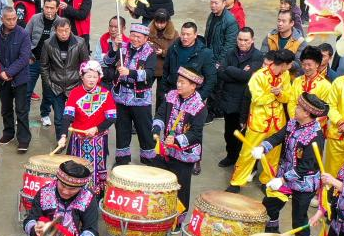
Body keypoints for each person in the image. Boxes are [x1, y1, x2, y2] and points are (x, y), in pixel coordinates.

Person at [254, 93, 328, 236]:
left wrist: (281, 180)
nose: (295, 108)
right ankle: (272, 231)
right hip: (285, 174)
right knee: (270, 204)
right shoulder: (293, 123)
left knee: (299, 219)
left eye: (299, 107)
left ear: (307, 113)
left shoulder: (315, 137)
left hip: (304, 181)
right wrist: (263, 147)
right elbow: (278, 137)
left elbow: (305, 166)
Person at [229, 49, 295, 192]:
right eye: (289, 64)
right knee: (248, 153)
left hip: (277, 122)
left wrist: (280, 93)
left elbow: (287, 96)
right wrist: (274, 94)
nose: (290, 67)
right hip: (259, 122)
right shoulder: (258, 76)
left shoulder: (286, 75)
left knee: (273, 155)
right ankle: (237, 182)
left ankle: (267, 181)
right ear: (284, 64)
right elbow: (258, 99)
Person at [151, 66, 206, 215]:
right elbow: (161, 114)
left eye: (183, 82)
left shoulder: (199, 106)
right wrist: (157, 127)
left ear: (193, 86)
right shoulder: (171, 96)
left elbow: (195, 133)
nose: (178, 85)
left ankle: (177, 220)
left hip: (185, 153)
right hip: (167, 149)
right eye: (178, 81)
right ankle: (158, 213)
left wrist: (176, 140)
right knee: (159, 180)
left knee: (180, 187)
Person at [104, 23, 156, 166]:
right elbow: (107, 62)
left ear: (146, 38)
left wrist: (130, 72)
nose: (135, 39)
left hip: (140, 99)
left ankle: (149, 160)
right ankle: (122, 160)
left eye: (139, 37)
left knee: (144, 130)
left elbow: (150, 74)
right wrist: (114, 48)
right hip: (120, 97)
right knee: (122, 130)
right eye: (133, 35)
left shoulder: (150, 52)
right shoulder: (123, 47)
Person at [59, 62, 116, 191]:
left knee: (95, 169)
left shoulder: (105, 93)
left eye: (95, 77)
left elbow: (112, 117)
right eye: (89, 76)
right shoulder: (75, 93)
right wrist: (63, 136)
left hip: (97, 140)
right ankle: (74, 191)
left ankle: (94, 194)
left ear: (99, 77)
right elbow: (67, 116)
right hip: (77, 140)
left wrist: (97, 128)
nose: (92, 80)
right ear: (82, 77)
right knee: (75, 168)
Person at [216, 27, 264, 168]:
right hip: (229, 100)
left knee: (244, 135)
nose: (242, 43)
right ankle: (231, 156)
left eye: (246, 40)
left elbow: (248, 77)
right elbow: (220, 72)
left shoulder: (258, 56)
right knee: (229, 133)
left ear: (252, 40)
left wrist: (230, 70)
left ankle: (244, 162)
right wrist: (236, 73)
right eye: (240, 39)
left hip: (245, 102)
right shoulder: (231, 53)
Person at [41, 19, 90, 140]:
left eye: (66, 30)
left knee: (79, 116)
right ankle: (60, 141)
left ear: (70, 29)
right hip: (56, 86)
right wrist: (49, 83)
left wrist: (81, 84)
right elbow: (44, 66)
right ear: (55, 30)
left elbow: (85, 65)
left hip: (75, 85)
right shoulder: (48, 43)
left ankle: (79, 140)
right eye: (60, 31)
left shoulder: (80, 42)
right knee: (58, 118)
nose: (64, 34)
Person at [0, 7, 33, 154]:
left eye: (14, 18)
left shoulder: (23, 34)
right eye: (8, 19)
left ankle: (24, 139)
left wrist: (9, 72)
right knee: (5, 108)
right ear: (2, 19)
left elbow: (24, 58)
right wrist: (2, 71)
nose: (12, 21)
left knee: (21, 109)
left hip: (20, 78)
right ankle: (8, 132)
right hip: (3, 78)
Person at [161, 22, 216, 108]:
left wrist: (200, 98)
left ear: (195, 35)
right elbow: (165, 70)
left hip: (193, 98)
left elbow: (211, 79)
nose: (185, 37)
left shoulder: (205, 53)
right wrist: (166, 91)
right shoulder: (173, 48)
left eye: (188, 34)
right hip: (173, 94)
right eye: (183, 34)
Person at [25, 0, 59, 127]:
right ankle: (23, 116)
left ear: (56, 9)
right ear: (43, 7)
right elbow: (25, 37)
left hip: (50, 64)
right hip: (33, 60)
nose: (48, 10)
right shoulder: (35, 19)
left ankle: (44, 114)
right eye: (46, 7)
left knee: (48, 91)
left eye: (52, 8)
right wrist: (28, 55)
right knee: (27, 90)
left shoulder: (61, 22)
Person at [287, 46, 334, 120]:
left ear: (317, 64)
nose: (306, 68)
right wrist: (294, 119)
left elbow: (325, 110)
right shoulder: (297, 81)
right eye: (303, 64)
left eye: (309, 65)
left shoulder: (325, 85)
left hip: (314, 127)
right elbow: (291, 102)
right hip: (296, 122)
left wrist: (308, 124)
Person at [204, 0, 238, 68]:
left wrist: (219, 62)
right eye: (211, 2)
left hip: (219, 60)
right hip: (208, 55)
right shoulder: (211, 15)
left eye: (216, 3)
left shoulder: (230, 21)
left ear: (224, 3)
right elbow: (207, 35)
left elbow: (230, 45)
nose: (213, 6)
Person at [147, 9, 177, 90]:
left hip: (164, 68)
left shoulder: (174, 34)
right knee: (145, 90)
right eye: (157, 22)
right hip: (150, 67)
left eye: (162, 23)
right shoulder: (147, 32)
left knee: (162, 95)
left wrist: (163, 52)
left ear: (167, 22)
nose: (159, 25)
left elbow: (176, 50)